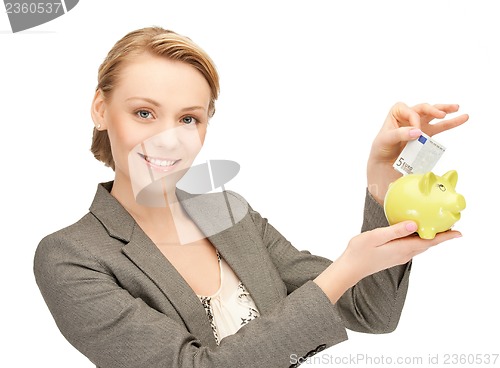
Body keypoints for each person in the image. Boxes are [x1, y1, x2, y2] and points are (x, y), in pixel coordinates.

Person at [34, 26, 469, 368]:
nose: (168, 139)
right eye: (144, 112)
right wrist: (344, 269)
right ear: (100, 109)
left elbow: (370, 311)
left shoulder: (226, 213)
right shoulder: (71, 256)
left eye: (188, 118)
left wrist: (382, 182)